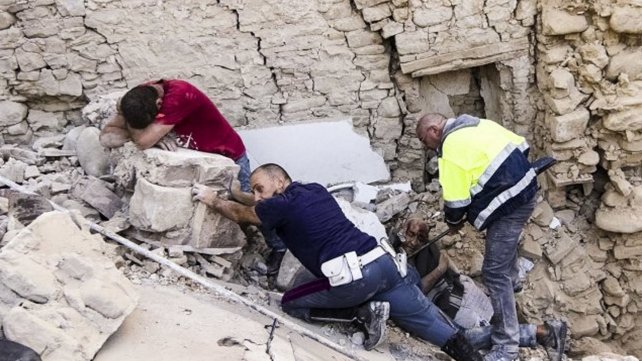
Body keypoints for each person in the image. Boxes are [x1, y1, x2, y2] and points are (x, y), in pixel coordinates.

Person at [192, 163, 484, 361]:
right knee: (430, 323)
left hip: (356, 277)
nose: (257, 195)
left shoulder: (279, 205)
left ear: (279, 183)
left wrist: (213, 199)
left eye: (259, 188)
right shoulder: (315, 189)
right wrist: (239, 194)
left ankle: (362, 314)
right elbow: (257, 205)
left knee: (291, 301)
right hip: (384, 264)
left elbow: (245, 215)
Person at [99, 79, 287, 272]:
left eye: (151, 123)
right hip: (197, 162)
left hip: (229, 158)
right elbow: (106, 137)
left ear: (159, 105)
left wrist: (146, 135)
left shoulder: (179, 95)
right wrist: (149, 133)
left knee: (257, 208)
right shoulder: (137, 99)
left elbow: (143, 141)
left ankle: (279, 249)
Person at [416, 113, 543, 361]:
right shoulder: (475, 123)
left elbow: (455, 203)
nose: (426, 147)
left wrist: (453, 223)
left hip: (509, 205)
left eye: (424, 140)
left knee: (494, 273)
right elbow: (521, 145)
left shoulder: (449, 149)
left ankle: (506, 347)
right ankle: (513, 283)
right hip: (527, 189)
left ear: (433, 130)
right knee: (503, 257)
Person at [401, 218, 567, 361]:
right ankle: (541, 332)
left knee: (465, 339)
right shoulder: (404, 254)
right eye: (410, 235)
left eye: (420, 238)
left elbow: (417, 288)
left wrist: (442, 270)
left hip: (453, 302)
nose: (414, 242)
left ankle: (542, 332)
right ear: (403, 231)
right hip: (453, 297)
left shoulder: (427, 252)